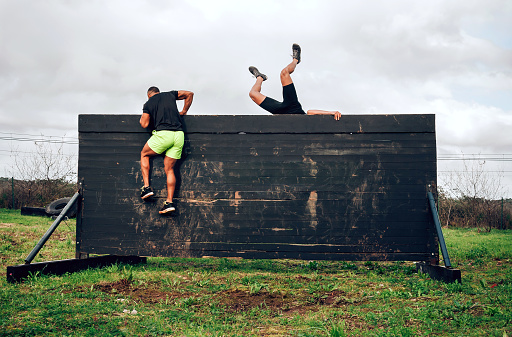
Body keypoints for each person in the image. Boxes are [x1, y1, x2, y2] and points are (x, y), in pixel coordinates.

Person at [249, 43, 341, 120]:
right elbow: (310, 112)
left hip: (280, 113)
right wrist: (331, 112)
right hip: (293, 108)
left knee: (252, 94)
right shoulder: (306, 118)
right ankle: (296, 59)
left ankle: (260, 78)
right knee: (284, 73)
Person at [139, 86, 194, 214]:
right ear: (158, 92)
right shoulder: (170, 95)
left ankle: (146, 188)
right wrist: (184, 111)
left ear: (149, 95)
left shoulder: (149, 103)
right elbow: (189, 94)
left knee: (144, 154)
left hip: (164, 135)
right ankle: (169, 203)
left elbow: (144, 124)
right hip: (179, 135)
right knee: (169, 169)